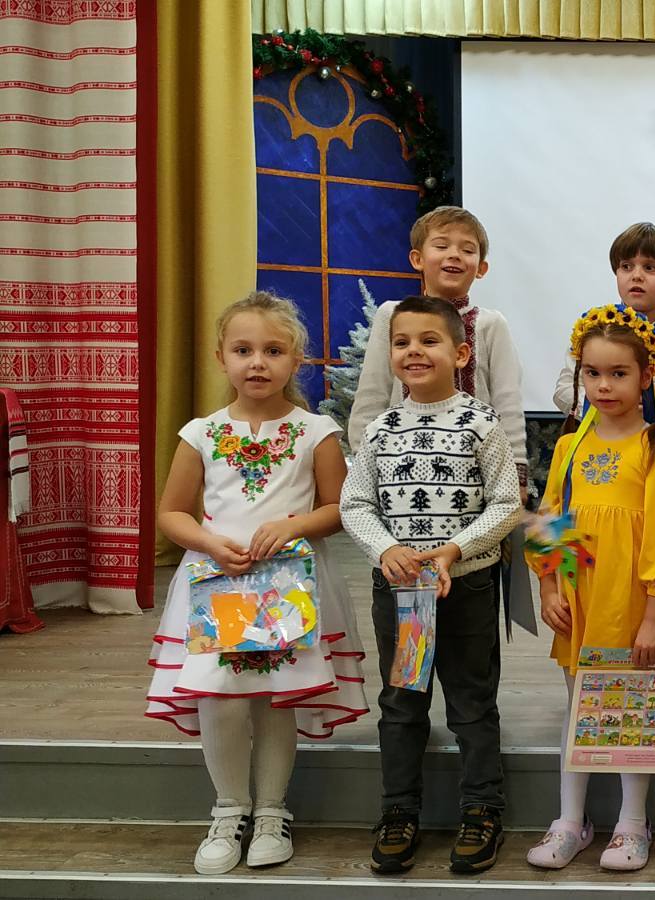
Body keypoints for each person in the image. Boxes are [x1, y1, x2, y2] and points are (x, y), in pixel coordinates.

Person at [146, 292, 368, 874]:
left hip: (288, 587)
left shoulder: (315, 431)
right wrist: (208, 542)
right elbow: (171, 513)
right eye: (243, 350)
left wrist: (294, 525)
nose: (257, 363)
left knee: (275, 700)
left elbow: (338, 508)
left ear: (296, 359)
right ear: (221, 357)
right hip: (218, 583)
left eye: (273, 350)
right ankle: (228, 810)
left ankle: (272, 811)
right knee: (219, 698)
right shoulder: (201, 433)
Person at [340, 296, 522, 875]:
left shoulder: (481, 423)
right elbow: (355, 504)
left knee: (471, 703)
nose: (414, 351)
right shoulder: (380, 429)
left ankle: (482, 809)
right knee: (403, 703)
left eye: (429, 340)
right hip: (404, 598)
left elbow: (506, 504)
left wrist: (454, 550)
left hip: (464, 590)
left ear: (461, 354)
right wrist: (387, 550)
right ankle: (398, 811)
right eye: (402, 342)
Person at [528, 303, 655, 872]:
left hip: (633, 602)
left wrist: (654, 615)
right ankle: (570, 820)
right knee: (580, 706)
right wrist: (549, 589)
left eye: (618, 373)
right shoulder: (570, 445)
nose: (603, 385)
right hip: (580, 596)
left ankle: (631, 823)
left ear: (646, 376)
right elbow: (552, 517)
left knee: (631, 708)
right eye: (593, 373)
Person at [348, 206, 529, 492]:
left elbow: (508, 402)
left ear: (481, 268)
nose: (454, 255)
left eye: (467, 250)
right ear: (417, 259)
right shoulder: (392, 315)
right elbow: (372, 395)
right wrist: (364, 468)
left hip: (477, 473)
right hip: (400, 471)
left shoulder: (490, 324)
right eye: (442, 246)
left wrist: (515, 474)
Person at [552, 223, 655, 416]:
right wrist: (604, 407)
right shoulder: (594, 330)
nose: (636, 276)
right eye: (626, 267)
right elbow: (564, 389)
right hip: (603, 432)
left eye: (649, 268)